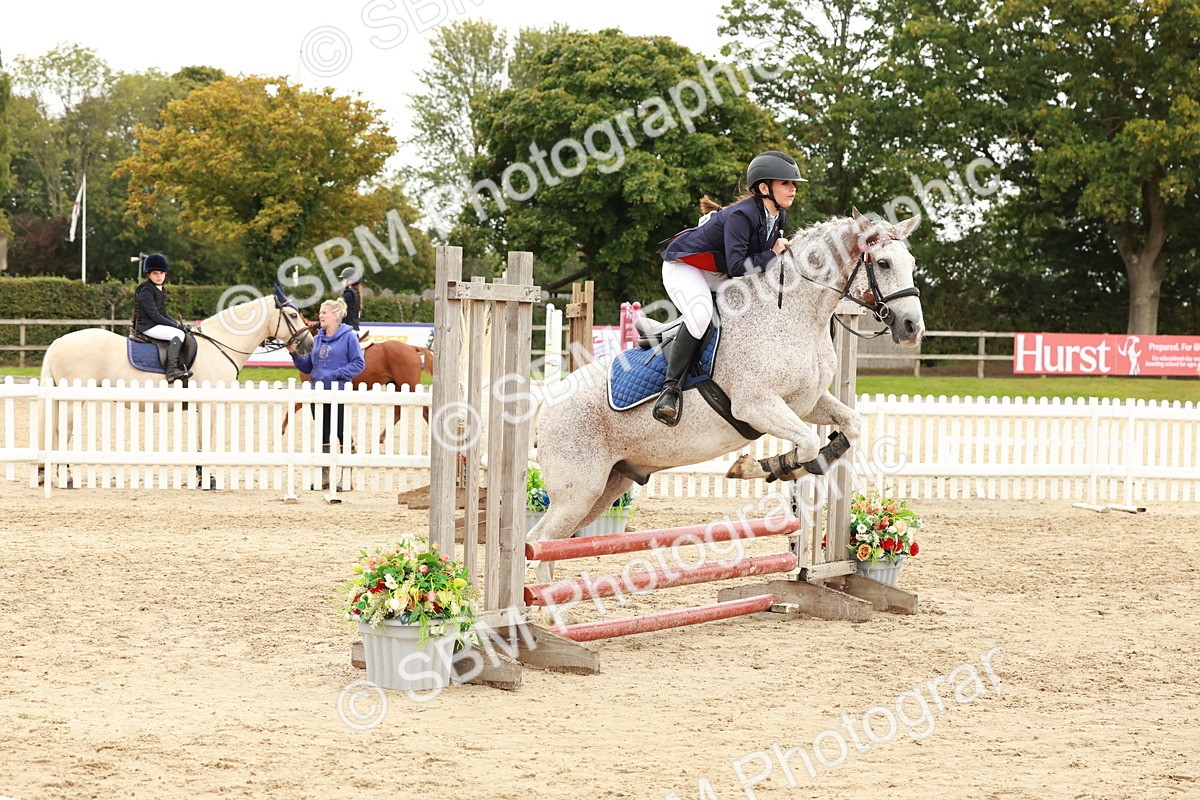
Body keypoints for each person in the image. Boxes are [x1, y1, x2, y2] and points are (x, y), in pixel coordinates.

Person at [652, 150, 804, 426]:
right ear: (763, 187)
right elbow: (737, 267)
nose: (793, 189)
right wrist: (774, 253)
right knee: (700, 315)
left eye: (793, 184)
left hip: (717, 271)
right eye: (786, 183)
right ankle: (670, 390)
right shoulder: (741, 216)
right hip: (686, 268)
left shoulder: (778, 217)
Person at [291, 298, 365, 469]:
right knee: (322, 434)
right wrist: (294, 355)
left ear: (335, 315)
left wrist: (335, 375)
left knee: (341, 432)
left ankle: (347, 474)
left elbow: (358, 363)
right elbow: (308, 366)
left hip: (338, 393)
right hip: (318, 394)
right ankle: (325, 475)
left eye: (324, 312)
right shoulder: (317, 339)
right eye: (320, 312)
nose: (320, 315)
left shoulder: (349, 337)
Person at [132, 253, 192, 382]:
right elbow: (154, 315)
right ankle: (172, 370)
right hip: (147, 326)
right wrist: (176, 326)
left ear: (165, 274)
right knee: (178, 334)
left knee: (180, 331)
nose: (159, 276)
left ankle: (180, 365)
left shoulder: (160, 289)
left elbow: (164, 314)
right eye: (155, 273)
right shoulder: (145, 290)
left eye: (161, 273)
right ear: (148, 274)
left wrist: (177, 323)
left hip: (154, 323)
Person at [339, 266, 363, 332]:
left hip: (346, 330)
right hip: (354, 329)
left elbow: (335, 310)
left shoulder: (348, 294)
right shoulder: (356, 293)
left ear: (350, 280)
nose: (342, 281)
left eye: (344, 279)